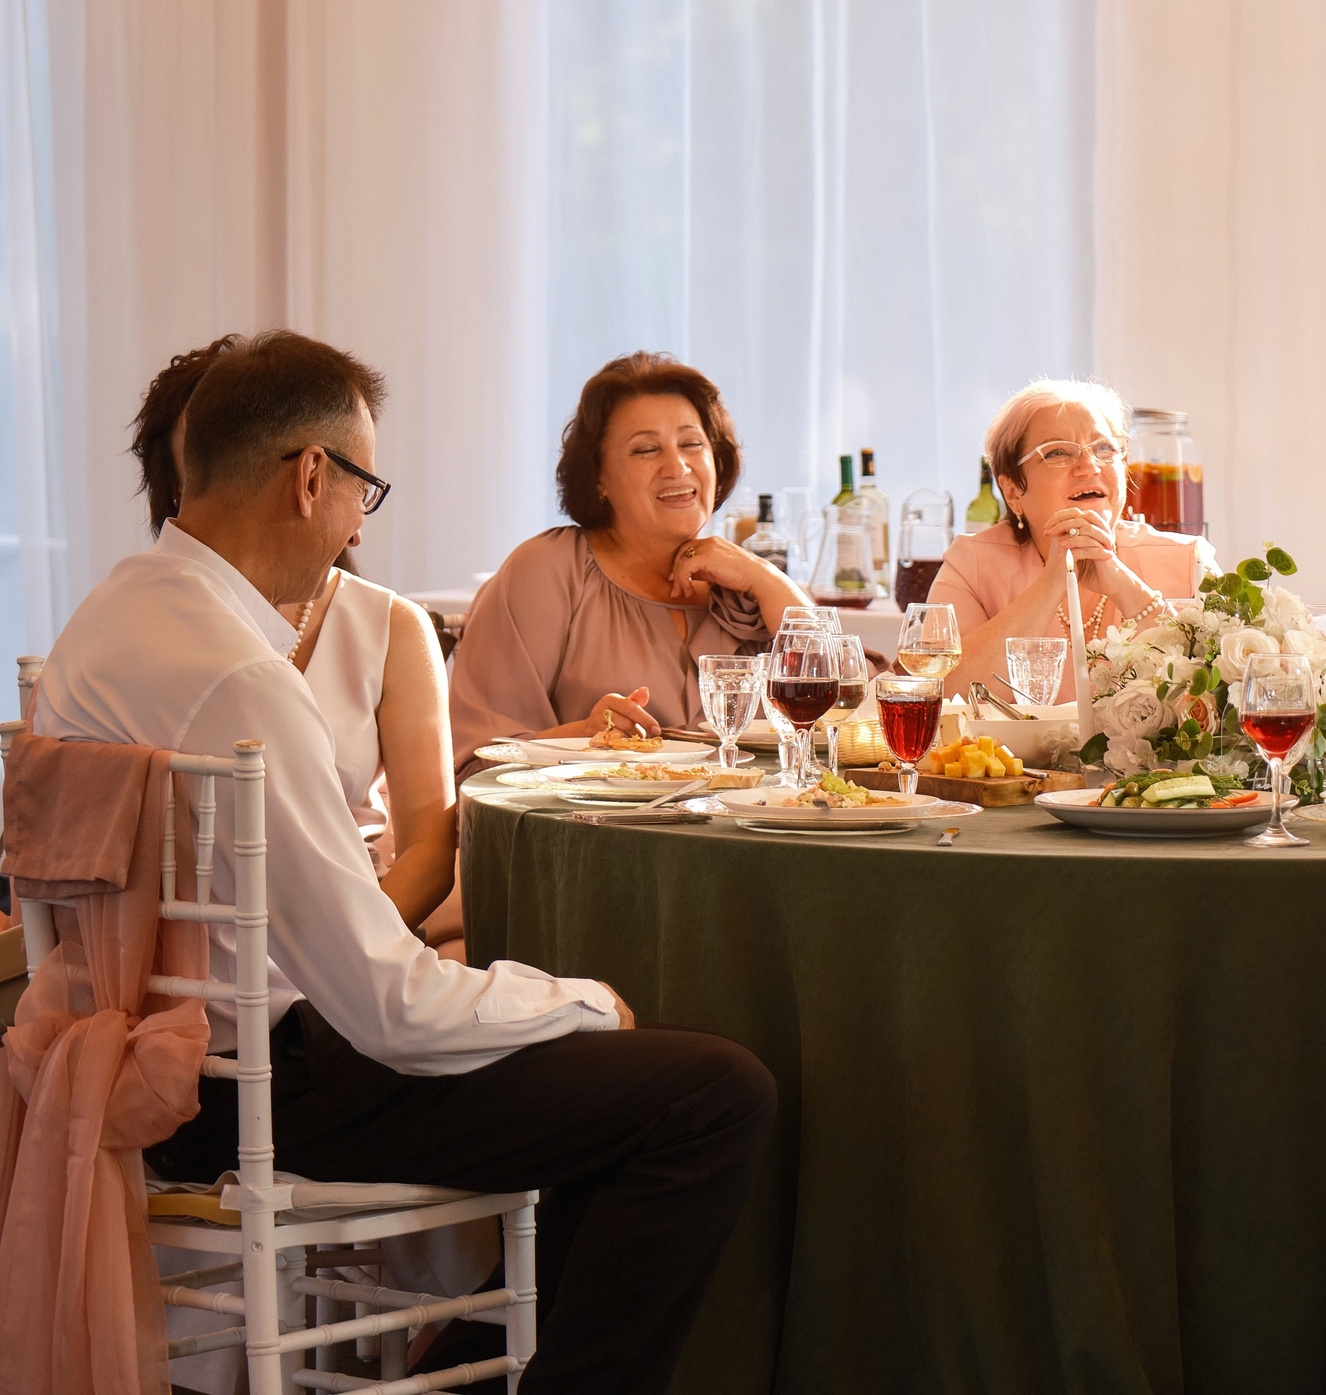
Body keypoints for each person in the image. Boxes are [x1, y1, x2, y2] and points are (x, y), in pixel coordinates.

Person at [42, 331, 775, 1393]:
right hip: (255, 1087)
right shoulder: (243, 681)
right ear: (309, 476)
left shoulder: (108, 616)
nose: (355, 524)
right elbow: (387, 1008)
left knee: (622, 1099)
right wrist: (582, 1002)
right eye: (363, 491)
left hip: (139, 1062)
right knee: (713, 1094)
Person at [130, 339, 458, 945]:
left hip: (352, 941)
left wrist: (347, 957)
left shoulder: (391, 627)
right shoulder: (141, 632)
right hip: (198, 962)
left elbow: (430, 846)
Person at [449, 352, 811, 764]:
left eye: (692, 443)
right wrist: (583, 739)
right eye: (645, 450)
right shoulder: (548, 570)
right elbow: (474, 760)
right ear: (600, 478)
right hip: (587, 826)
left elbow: (843, 719)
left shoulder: (744, 586)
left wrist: (767, 578)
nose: (677, 467)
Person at [931, 379, 1215, 696]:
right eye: (1057, 453)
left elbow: (1220, 695)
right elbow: (938, 693)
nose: (1089, 465)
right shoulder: (970, 564)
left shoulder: (1190, 561)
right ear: (1013, 491)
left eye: (1105, 448)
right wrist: (1051, 584)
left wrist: (1125, 586)